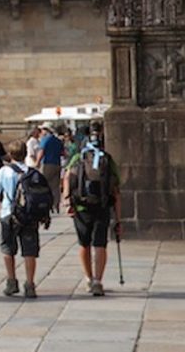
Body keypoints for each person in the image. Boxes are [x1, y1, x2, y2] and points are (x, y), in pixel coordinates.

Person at [63, 121, 122, 296]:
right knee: (100, 244)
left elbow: (67, 177)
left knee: (84, 244)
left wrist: (66, 200)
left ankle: (88, 278)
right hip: (102, 206)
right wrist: (118, 219)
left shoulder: (78, 157)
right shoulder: (108, 159)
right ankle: (98, 281)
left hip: (81, 206)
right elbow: (116, 190)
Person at [0, 139, 39, 299]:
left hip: (8, 214)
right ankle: (30, 284)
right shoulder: (32, 171)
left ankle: (12, 281)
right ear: (25, 154)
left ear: (10, 155)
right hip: (29, 215)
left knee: (8, 249)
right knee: (29, 251)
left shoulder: (5, 171)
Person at [35, 122, 64, 213]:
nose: (42, 131)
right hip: (57, 164)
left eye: (43, 129)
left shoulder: (45, 139)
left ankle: (46, 204)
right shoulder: (58, 140)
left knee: (44, 185)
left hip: (47, 164)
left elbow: (41, 151)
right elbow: (63, 153)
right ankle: (56, 205)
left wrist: (37, 162)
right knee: (55, 186)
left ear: (47, 130)